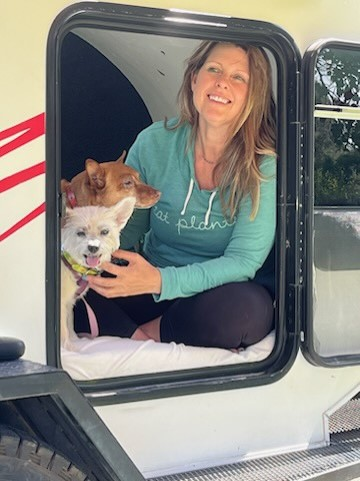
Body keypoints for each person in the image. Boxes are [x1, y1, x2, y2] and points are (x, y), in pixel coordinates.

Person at [74, 40, 277, 350]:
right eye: (214, 69)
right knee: (66, 281)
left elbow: (243, 261)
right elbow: (128, 230)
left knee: (248, 312)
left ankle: (141, 336)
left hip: (213, 295)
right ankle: (142, 336)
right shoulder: (154, 141)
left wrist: (162, 282)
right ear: (194, 79)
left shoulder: (262, 165)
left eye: (239, 77)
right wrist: (87, 246)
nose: (223, 81)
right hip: (148, 280)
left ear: (253, 94)